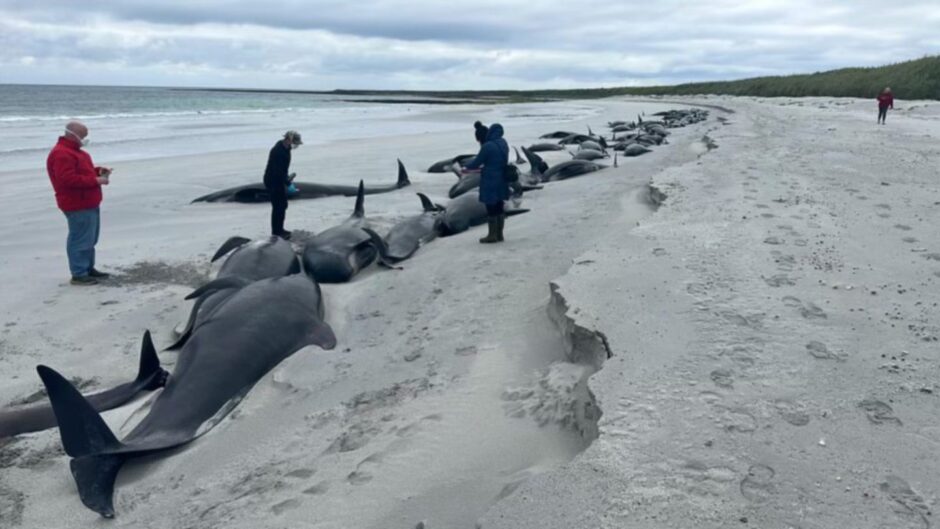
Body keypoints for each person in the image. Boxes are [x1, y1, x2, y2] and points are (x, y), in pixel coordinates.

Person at [47, 121, 112, 286]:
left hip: (89, 201)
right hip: (76, 203)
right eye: (83, 136)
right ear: (72, 135)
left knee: (90, 238)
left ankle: (88, 268)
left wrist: (98, 171)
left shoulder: (78, 153)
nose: (85, 139)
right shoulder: (61, 153)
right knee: (80, 239)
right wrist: (96, 180)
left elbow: (81, 172)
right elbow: (67, 180)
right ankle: (79, 273)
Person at [463, 123, 509, 243]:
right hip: (502, 178)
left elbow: (476, 163)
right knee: (499, 205)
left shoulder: (488, 146)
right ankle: (499, 234)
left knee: (491, 206)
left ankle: (492, 235)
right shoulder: (503, 143)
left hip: (490, 178)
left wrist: (465, 166)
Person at [264, 130, 303, 239]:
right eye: (294, 142)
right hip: (273, 181)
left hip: (279, 179)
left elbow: (284, 169)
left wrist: (286, 180)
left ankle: (280, 229)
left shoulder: (286, 149)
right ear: (288, 139)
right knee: (278, 206)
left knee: (283, 205)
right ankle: (276, 232)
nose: (295, 145)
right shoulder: (278, 151)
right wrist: (288, 183)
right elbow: (278, 171)